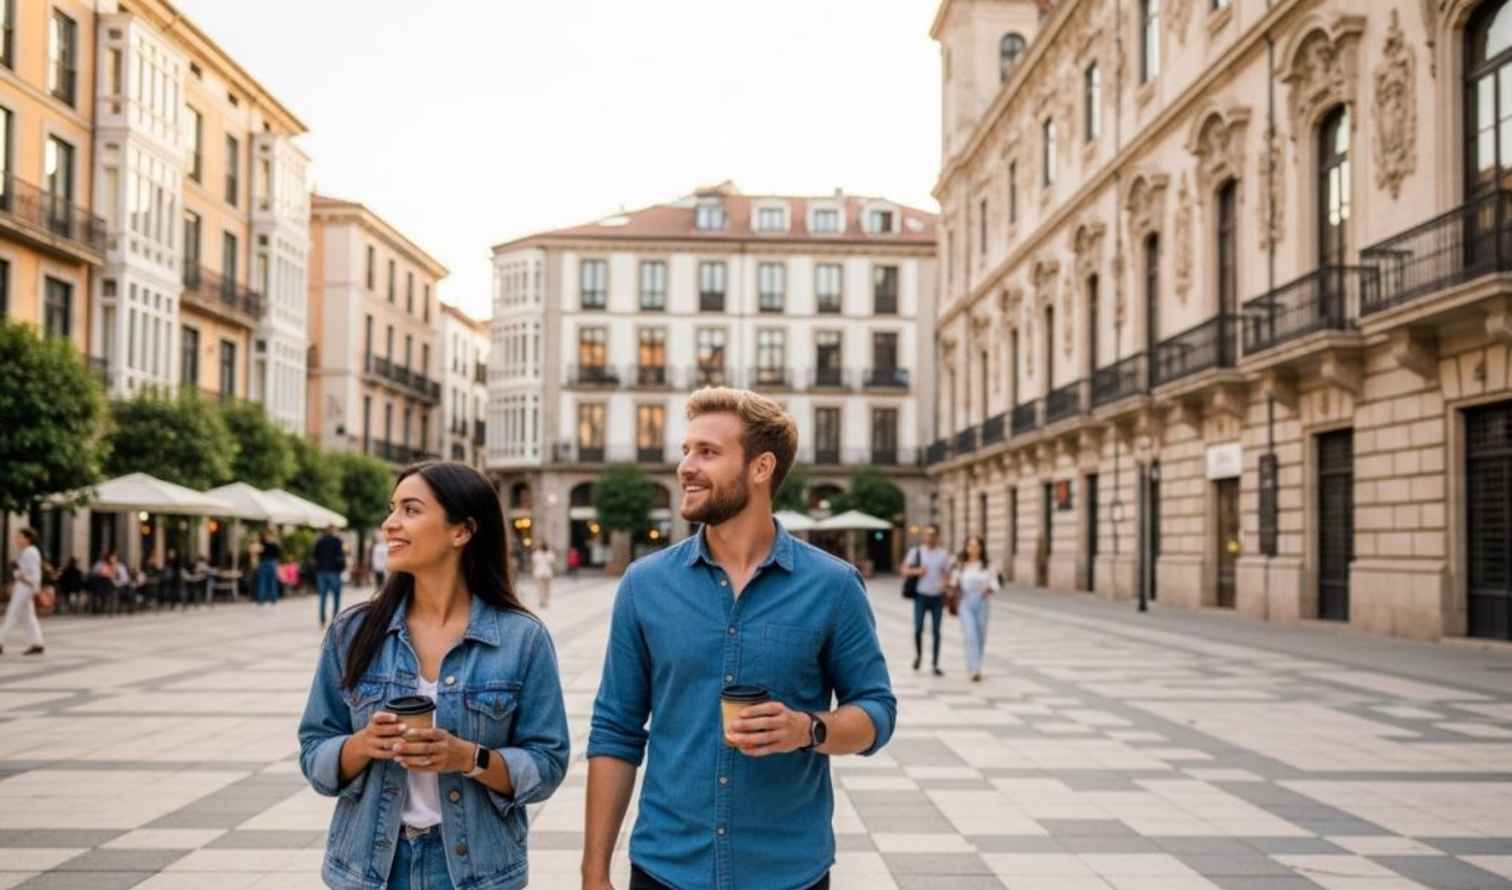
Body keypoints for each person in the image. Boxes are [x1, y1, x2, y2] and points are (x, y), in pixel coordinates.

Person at [584, 388, 896, 890]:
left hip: (788, 873)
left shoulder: (833, 586)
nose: (686, 466)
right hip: (666, 870)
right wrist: (593, 871)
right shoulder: (645, 585)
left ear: (761, 467)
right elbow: (615, 730)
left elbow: (877, 712)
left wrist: (807, 729)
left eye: (707, 452)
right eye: (686, 450)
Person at [298, 461, 570, 890]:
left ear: (460, 531)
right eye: (392, 509)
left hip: (475, 871)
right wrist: (363, 745)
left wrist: (469, 758)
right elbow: (315, 752)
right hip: (370, 870)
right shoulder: (352, 632)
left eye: (410, 510)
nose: (390, 524)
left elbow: (548, 764)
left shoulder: (522, 638)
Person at [900, 524, 952, 676]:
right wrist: (917, 571)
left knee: (936, 631)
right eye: (927, 535)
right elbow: (904, 570)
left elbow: (948, 573)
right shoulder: (916, 552)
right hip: (921, 596)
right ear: (924, 536)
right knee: (918, 629)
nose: (929, 538)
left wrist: (946, 583)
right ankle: (918, 656)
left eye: (932, 535)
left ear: (937, 537)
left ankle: (935, 663)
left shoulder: (943, 554)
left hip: (937, 597)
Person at [949, 534, 999, 683]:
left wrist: (988, 588)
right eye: (970, 546)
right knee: (970, 635)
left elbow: (996, 584)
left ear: (981, 548)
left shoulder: (988, 565)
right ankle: (974, 669)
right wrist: (952, 586)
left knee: (980, 637)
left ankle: (976, 665)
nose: (973, 549)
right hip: (965, 602)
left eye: (976, 546)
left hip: (983, 603)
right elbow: (953, 582)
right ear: (966, 548)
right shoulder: (961, 565)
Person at [0, 528, 45, 656]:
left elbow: (33, 574)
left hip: (25, 587)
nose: (17, 540)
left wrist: (17, 573)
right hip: (25, 587)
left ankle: (0, 642)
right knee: (28, 617)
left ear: (28, 538)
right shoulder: (29, 551)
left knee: (11, 614)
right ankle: (37, 643)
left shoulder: (30, 552)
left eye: (19, 537)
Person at [314, 526, 346, 628]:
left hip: (321, 572)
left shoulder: (319, 541)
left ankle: (322, 621)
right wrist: (341, 568)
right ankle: (335, 619)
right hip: (334, 572)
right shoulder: (337, 541)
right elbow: (341, 557)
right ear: (334, 531)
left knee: (322, 597)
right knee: (336, 596)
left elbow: (314, 556)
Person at [255, 531, 283, 607]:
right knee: (272, 581)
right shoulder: (275, 543)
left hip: (265, 562)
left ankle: (262, 599)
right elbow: (279, 553)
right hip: (272, 563)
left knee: (263, 581)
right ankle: (273, 599)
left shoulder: (263, 543)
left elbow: (259, 552)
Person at [531, 542, 555, 609]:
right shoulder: (538, 554)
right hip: (541, 573)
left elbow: (552, 561)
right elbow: (534, 561)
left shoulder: (548, 553)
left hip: (545, 573)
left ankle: (545, 601)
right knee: (542, 588)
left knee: (545, 588)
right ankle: (542, 601)